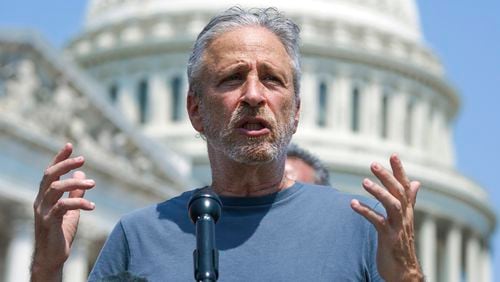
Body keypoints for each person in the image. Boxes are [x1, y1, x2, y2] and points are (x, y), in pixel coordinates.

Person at [31, 7, 423, 281]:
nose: (254, 95)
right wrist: (46, 270)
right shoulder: (139, 236)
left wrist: (407, 275)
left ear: (297, 110)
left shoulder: (362, 227)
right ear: (195, 109)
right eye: (233, 78)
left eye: (272, 79)